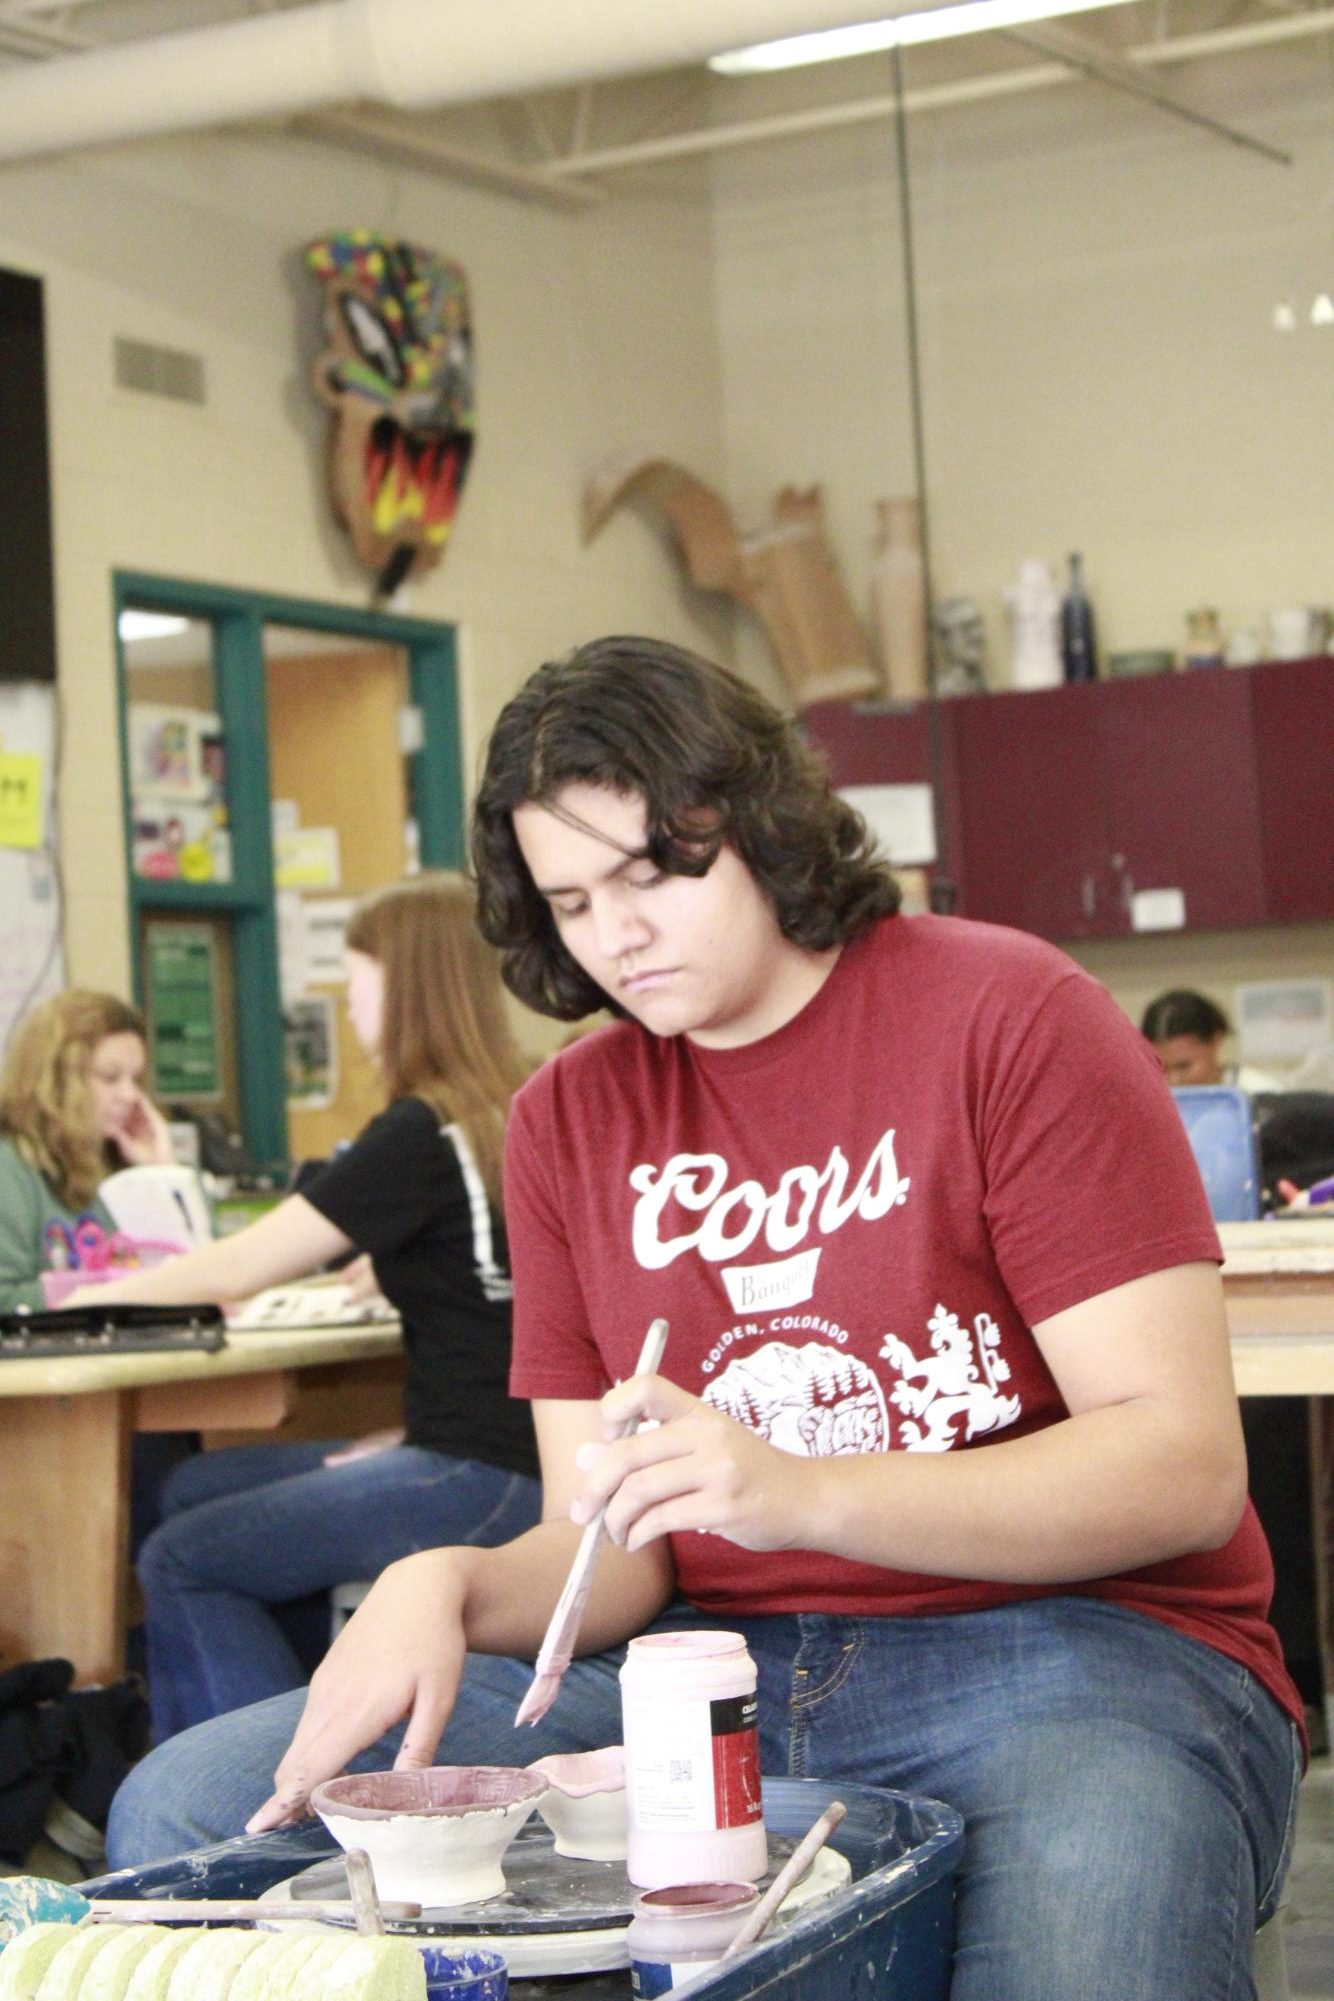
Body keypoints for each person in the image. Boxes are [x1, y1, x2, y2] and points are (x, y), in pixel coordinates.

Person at [109, 640, 1301, 2001]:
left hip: (1074, 1649)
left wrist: (799, 1491)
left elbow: (1181, 1469)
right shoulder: (566, 1118)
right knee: (186, 1821)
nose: (614, 932)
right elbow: (608, 1556)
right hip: (697, 1673)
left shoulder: (1009, 1014)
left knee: (1088, 1935)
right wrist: (447, 1580)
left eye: (651, 872)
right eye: (567, 899)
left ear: (760, 826)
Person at [72, 874, 541, 1741]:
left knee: (182, 1559)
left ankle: (269, 1781)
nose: (352, 1011)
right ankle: (284, 1701)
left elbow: (242, 1264)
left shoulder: (417, 1131)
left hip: (478, 1472)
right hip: (514, 1450)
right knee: (193, 1484)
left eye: (355, 982)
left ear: (402, 987)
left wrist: (89, 1300)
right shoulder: (503, 1109)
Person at [0, 988, 176, 1314]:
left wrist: (159, 1175)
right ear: (56, 1079)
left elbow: (198, 1271)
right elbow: (5, 1299)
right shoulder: (10, 1166)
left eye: (135, 1079)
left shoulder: (120, 1159)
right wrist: (115, 1291)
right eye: (110, 1077)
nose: (130, 1096)